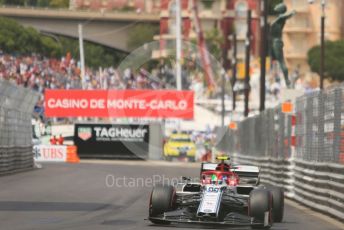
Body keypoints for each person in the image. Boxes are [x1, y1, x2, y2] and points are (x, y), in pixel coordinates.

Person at [270, 3, 296, 88]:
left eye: (278, 6)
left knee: (281, 62)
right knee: (278, 62)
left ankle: (287, 82)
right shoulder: (280, 18)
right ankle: (285, 81)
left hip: (277, 42)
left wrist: (292, 12)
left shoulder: (281, 18)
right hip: (275, 42)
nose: (276, 7)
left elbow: (286, 16)